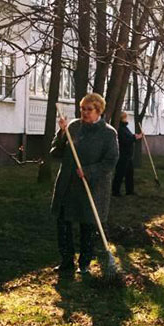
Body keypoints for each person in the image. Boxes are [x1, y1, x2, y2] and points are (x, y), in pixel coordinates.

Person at [51, 93, 119, 274]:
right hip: (68, 184)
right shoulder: (73, 127)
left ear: (99, 111)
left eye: (89, 109)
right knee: (63, 222)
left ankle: (84, 264)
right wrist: (62, 134)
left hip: (92, 187)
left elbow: (110, 161)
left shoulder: (108, 133)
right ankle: (66, 261)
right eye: (82, 109)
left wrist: (89, 171)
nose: (85, 113)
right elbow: (55, 153)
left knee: (87, 225)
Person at [112, 111, 143, 196]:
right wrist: (135, 137)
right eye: (126, 117)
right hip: (122, 155)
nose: (127, 119)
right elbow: (125, 140)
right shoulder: (120, 128)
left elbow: (129, 137)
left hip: (128, 155)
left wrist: (135, 136)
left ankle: (130, 191)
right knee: (120, 173)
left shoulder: (125, 128)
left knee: (129, 173)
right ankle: (115, 191)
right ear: (123, 118)